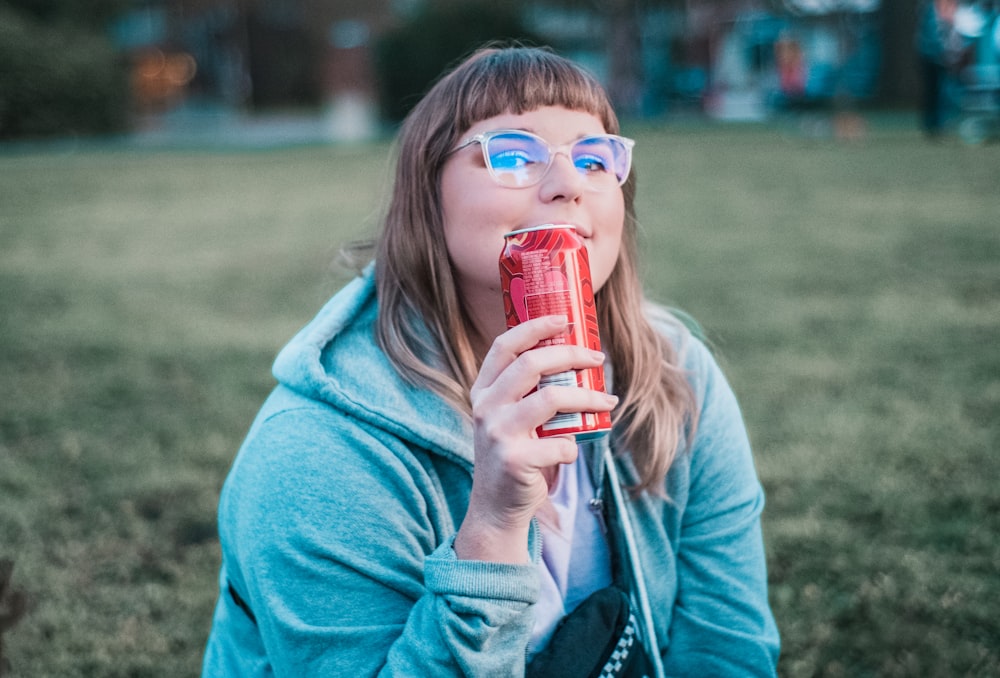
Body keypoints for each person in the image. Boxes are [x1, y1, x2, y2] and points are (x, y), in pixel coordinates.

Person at [201, 45, 779, 677]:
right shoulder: (316, 457)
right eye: (512, 154)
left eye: (594, 159)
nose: (568, 186)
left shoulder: (675, 379)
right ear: (428, 197)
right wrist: (494, 530)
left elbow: (726, 650)